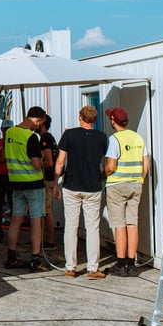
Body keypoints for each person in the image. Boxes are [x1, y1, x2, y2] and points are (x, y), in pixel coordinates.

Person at [52, 106, 108, 279]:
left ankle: (70, 267)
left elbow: (60, 161)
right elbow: (104, 161)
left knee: (71, 226)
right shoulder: (102, 137)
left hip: (71, 185)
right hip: (93, 185)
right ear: (95, 120)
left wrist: (55, 182)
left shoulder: (69, 135)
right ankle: (93, 268)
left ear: (80, 117)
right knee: (92, 228)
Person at [103, 107, 150, 277]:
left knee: (119, 224)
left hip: (117, 184)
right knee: (132, 223)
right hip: (136, 184)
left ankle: (121, 263)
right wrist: (140, 179)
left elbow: (110, 166)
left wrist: (103, 175)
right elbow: (146, 164)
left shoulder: (114, 139)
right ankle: (132, 264)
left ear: (113, 121)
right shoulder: (138, 137)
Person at [4, 106, 49, 273]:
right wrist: (43, 158)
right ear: (37, 119)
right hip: (33, 183)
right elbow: (37, 165)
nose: (39, 127)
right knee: (36, 220)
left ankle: (12, 257)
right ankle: (35, 259)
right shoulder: (31, 137)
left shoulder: (9, 133)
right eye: (40, 123)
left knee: (16, 219)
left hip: (15, 182)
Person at [39, 115, 58, 249]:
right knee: (45, 210)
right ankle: (44, 239)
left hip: (47, 178)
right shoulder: (49, 138)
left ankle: (50, 241)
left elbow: (49, 162)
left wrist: (36, 163)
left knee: (47, 210)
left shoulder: (45, 138)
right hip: (50, 178)